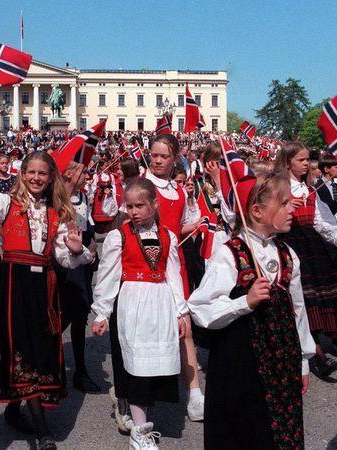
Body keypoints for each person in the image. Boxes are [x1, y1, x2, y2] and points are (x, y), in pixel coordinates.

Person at [0, 140, 92, 450]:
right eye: (31, 172)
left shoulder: (58, 211)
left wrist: (76, 250)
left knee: (40, 348)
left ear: (51, 176)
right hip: (14, 284)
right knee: (20, 348)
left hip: (44, 286)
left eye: (43, 173)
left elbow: (65, 257)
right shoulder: (6, 203)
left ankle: (16, 408)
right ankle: (42, 432)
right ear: (21, 173)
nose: (36, 178)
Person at [189, 172, 315, 450]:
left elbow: (298, 310)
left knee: (278, 431)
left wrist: (303, 361)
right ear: (256, 211)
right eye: (283, 204)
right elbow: (199, 307)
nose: (292, 208)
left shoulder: (287, 254)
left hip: (282, 360)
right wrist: (243, 303)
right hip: (240, 362)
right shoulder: (230, 253)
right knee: (245, 429)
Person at [91, 178, 188, 450]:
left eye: (139, 206)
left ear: (154, 205)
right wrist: (101, 312)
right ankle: (140, 432)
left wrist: (181, 311)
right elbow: (108, 276)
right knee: (134, 364)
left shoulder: (168, 236)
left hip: (160, 303)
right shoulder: (118, 236)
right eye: (129, 206)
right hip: (132, 303)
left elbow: (173, 275)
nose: (133, 211)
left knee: (154, 363)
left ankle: (142, 417)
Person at [144, 134, 205, 421]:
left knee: (185, 327)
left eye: (164, 156)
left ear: (174, 159)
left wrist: (198, 223)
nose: (157, 160)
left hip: (175, 262)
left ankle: (195, 394)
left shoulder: (179, 191)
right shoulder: (142, 187)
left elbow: (177, 228)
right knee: (151, 328)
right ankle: (140, 392)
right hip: (147, 262)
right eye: (154, 155)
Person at [273, 142, 337, 378]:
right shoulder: (279, 186)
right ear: (288, 161)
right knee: (303, 301)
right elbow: (266, 217)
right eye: (300, 160)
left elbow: (323, 223)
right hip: (290, 244)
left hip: (312, 246)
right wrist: (285, 205)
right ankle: (317, 355)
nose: (306, 164)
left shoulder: (309, 188)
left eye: (307, 159)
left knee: (323, 297)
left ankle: (323, 346)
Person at [58, 160, 101, 394]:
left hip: (83, 262)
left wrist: (93, 249)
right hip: (64, 265)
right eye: (83, 171)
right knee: (63, 315)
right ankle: (52, 365)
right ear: (69, 173)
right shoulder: (56, 200)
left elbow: (90, 231)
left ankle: (81, 370)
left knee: (80, 315)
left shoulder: (83, 198)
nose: (88, 175)